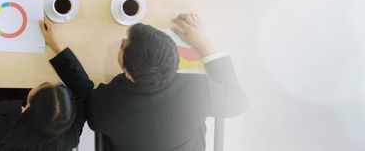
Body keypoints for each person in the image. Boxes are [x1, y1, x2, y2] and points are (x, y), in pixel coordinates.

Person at [0, 3, 93, 150]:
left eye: (42, 85)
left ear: (28, 106)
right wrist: (57, 45)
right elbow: (85, 89)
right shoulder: (68, 139)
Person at [88, 14, 248, 151]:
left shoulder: (105, 104)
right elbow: (239, 102)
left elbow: (92, 116)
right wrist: (205, 45)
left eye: (123, 46)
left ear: (129, 75)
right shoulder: (197, 90)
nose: (122, 41)